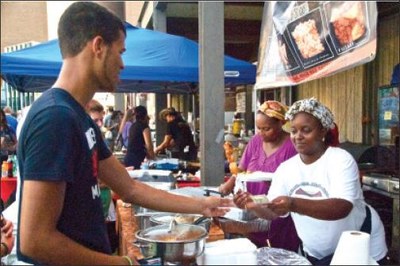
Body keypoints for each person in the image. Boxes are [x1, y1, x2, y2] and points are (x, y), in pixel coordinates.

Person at [16, 2, 231, 265]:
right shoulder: (55, 118)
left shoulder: (77, 116)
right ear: (98, 46)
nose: (122, 64)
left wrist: (202, 206)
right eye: (120, 52)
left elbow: (129, 188)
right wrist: (121, 263)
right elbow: (34, 241)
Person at [234, 97, 388, 265]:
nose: (297, 136)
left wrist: (293, 204)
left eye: (305, 130)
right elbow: (273, 212)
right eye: (293, 131)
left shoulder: (340, 160)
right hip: (314, 251)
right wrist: (254, 205)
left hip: (358, 245)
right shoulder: (286, 169)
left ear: (322, 131)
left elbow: (342, 207)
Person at [219, 100, 301, 251]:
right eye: (259, 129)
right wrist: (229, 183)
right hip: (252, 208)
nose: (262, 133)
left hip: (277, 214)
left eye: (267, 129)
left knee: (276, 251)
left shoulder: (292, 146)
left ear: (280, 123)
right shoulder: (256, 140)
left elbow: (295, 183)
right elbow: (242, 169)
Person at [86, 99, 118, 253]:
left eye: (100, 120)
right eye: (95, 120)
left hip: (104, 207)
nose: (99, 124)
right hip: (91, 215)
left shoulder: (98, 141)